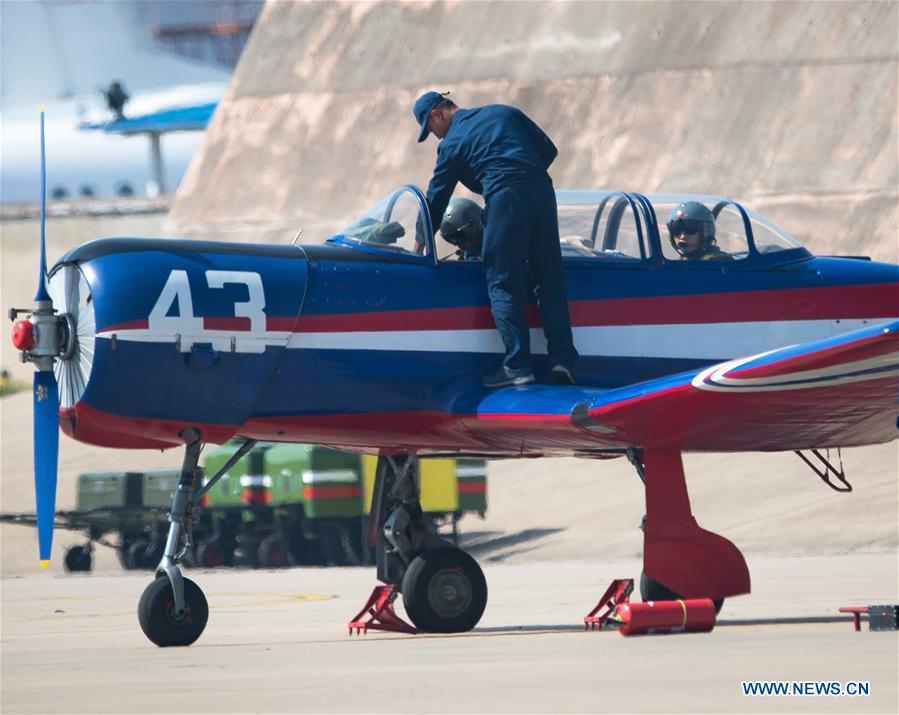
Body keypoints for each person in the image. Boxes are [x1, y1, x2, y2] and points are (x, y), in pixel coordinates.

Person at [413, 91, 577, 388]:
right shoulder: (505, 112)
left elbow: (436, 197)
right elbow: (548, 151)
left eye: (431, 130)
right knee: (550, 280)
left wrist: (419, 241)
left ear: (437, 114)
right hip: (542, 192)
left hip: (505, 197)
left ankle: (517, 367)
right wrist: (524, 175)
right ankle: (563, 361)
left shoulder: (452, 143)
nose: (435, 137)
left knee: (502, 282)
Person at [666, 202, 732, 261]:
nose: (683, 236)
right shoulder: (685, 261)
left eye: (690, 228)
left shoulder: (719, 263)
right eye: (676, 228)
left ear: (706, 231)